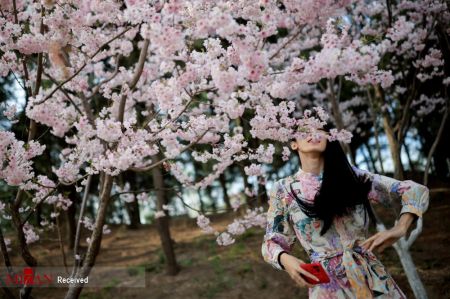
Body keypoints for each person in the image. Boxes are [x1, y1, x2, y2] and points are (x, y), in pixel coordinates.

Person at [261, 127, 430, 299]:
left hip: (371, 277)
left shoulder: (353, 176)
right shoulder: (284, 189)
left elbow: (415, 190)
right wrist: (285, 260)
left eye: (320, 129)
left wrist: (401, 227)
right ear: (294, 144)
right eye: (305, 130)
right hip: (327, 285)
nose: (313, 133)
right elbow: (271, 242)